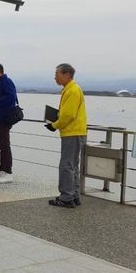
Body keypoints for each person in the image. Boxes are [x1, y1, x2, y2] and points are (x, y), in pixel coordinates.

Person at [45, 63, 87, 208]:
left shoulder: (72, 91)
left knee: (66, 165)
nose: (55, 77)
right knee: (73, 165)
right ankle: (74, 196)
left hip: (72, 133)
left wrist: (53, 125)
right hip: (76, 132)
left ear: (66, 74)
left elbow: (68, 115)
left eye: (57, 74)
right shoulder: (71, 89)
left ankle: (66, 197)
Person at [0, 63, 18, 184]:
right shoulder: (0, 83)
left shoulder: (6, 82)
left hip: (5, 119)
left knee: (5, 145)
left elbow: (11, 98)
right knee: (1, 145)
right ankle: (2, 170)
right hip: (0, 118)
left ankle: (8, 172)